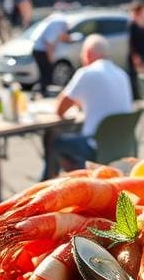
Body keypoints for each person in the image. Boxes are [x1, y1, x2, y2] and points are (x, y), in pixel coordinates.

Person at [44, 34, 133, 179]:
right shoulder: (122, 74)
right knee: (75, 137)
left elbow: (60, 108)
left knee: (54, 140)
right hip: (123, 145)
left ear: (88, 54)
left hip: (95, 145)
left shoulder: (86, 73)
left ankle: (48, 183)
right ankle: (77, 175)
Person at [28, 14, 70, 96]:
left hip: (39, 50)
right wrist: (50, 59)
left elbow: (63, 38)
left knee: (45, 72)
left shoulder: (55, 23)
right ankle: (41, 91)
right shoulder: (57, 25)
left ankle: (41, 91)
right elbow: (49, 44)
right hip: (41, 51)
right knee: (46, 72)